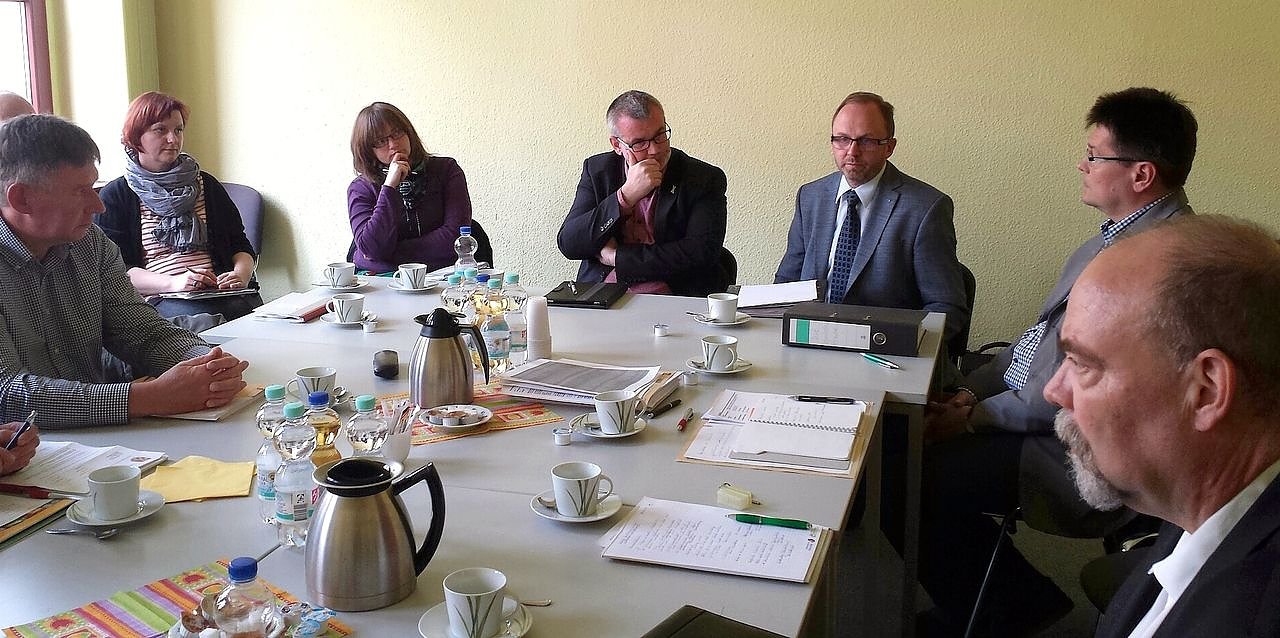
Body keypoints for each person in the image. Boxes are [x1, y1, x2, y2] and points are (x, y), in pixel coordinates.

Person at [913, 88, 1199, 635]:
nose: (1082, 165)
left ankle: (1010, 609)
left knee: (906, 476)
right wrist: (970, 393)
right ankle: (1011, 601)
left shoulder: (1162, 265)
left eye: (1094, 155)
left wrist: (972, 418)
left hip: (1078, 449)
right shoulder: (1108, 244)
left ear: (1141, 175)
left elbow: (1075, 392)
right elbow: (1034, 345)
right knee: (906, 441)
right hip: (1035, 417)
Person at [1045, 215, 1280, 637]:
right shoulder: (1195, 507)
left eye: (1082, 364)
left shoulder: (1249, 615)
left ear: (1206, 390)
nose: (1055, 391)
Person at [0, 114, 250, 428]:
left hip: (99, 438)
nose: (98, 206)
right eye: (80, 191)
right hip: (27, 448)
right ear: (21, 199)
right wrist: (152, 397)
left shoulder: (91, 243)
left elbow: (142, 333)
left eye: (93, 187)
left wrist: (205, 363)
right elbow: (7, 396)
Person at [774, 92, 969, 343]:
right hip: (807, 341)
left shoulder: (925, 208)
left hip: (881, 349)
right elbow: (786, 284)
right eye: (842, 139)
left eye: (865, 141)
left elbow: (946, 308)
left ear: (889, 147)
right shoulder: (810, 197)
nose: (852, 151)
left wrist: (899, 344)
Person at [97, 91, 261, 320]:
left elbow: (240, 244)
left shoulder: (206, 184)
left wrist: (240, 275)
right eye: (160, 130)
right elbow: (116, 270)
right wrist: (174, 283)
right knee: (204, 321)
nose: (173, 139)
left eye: (178, 130)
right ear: (135, 136)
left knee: (249, 314)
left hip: (220, 293)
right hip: (161, 298)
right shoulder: (116, 195)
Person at [557, 90, 728, 296]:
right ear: (617, 145)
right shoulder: (598, 170)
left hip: (672, 294)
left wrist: (617, 257)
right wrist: (625, 197)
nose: (655, 150)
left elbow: (700, 253)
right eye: (639, 143)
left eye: (660, 135)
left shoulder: (703, 178)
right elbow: (569, 243)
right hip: (603, 293)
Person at [347, 101, 472, 274]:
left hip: (442, 275)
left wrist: (387, 255)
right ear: (368, 150)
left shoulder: (446, 170)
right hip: (385, 280)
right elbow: (373, 248)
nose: (393, 144)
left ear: (409, 132)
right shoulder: (361, 188)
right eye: (381, 141)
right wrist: (389, 187)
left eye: (397, 133)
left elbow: (456, 238)